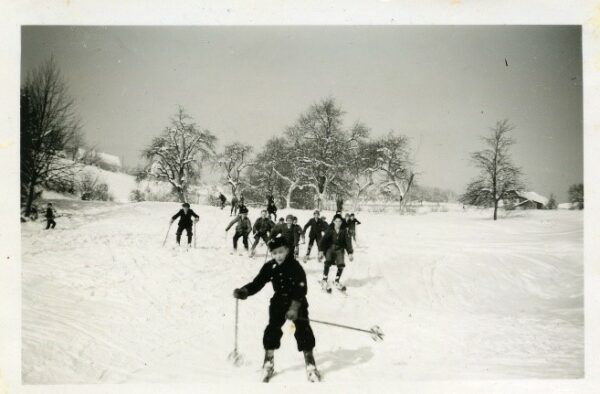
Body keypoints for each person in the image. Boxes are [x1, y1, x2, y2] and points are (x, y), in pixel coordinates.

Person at [233, 234, 320, 382]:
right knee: (272, 329)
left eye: (280, 252)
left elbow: (301, 289)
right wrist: (245, 291)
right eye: (274, 253)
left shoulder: (295, 267)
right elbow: (257, 282)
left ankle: (310, 364)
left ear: (287, 250)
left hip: (297, 301)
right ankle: (268, 362)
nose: (278, 256)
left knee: (303, 329)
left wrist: (294, 308)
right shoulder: (270, 266)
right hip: (278, 302)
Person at [319, 214, 354, 291]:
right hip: (330, 248)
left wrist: (350, 252)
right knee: (327, 262)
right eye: (336, 221)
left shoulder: (344, 231)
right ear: (334, 222)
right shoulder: (330, 229)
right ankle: (324, 279)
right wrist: (321, 250)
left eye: (339, 221)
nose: (338, 223)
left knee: (341, 264)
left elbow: (348, 242)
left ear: (341, 222)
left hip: (339, 249)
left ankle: (337, 280)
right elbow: (323, 240)